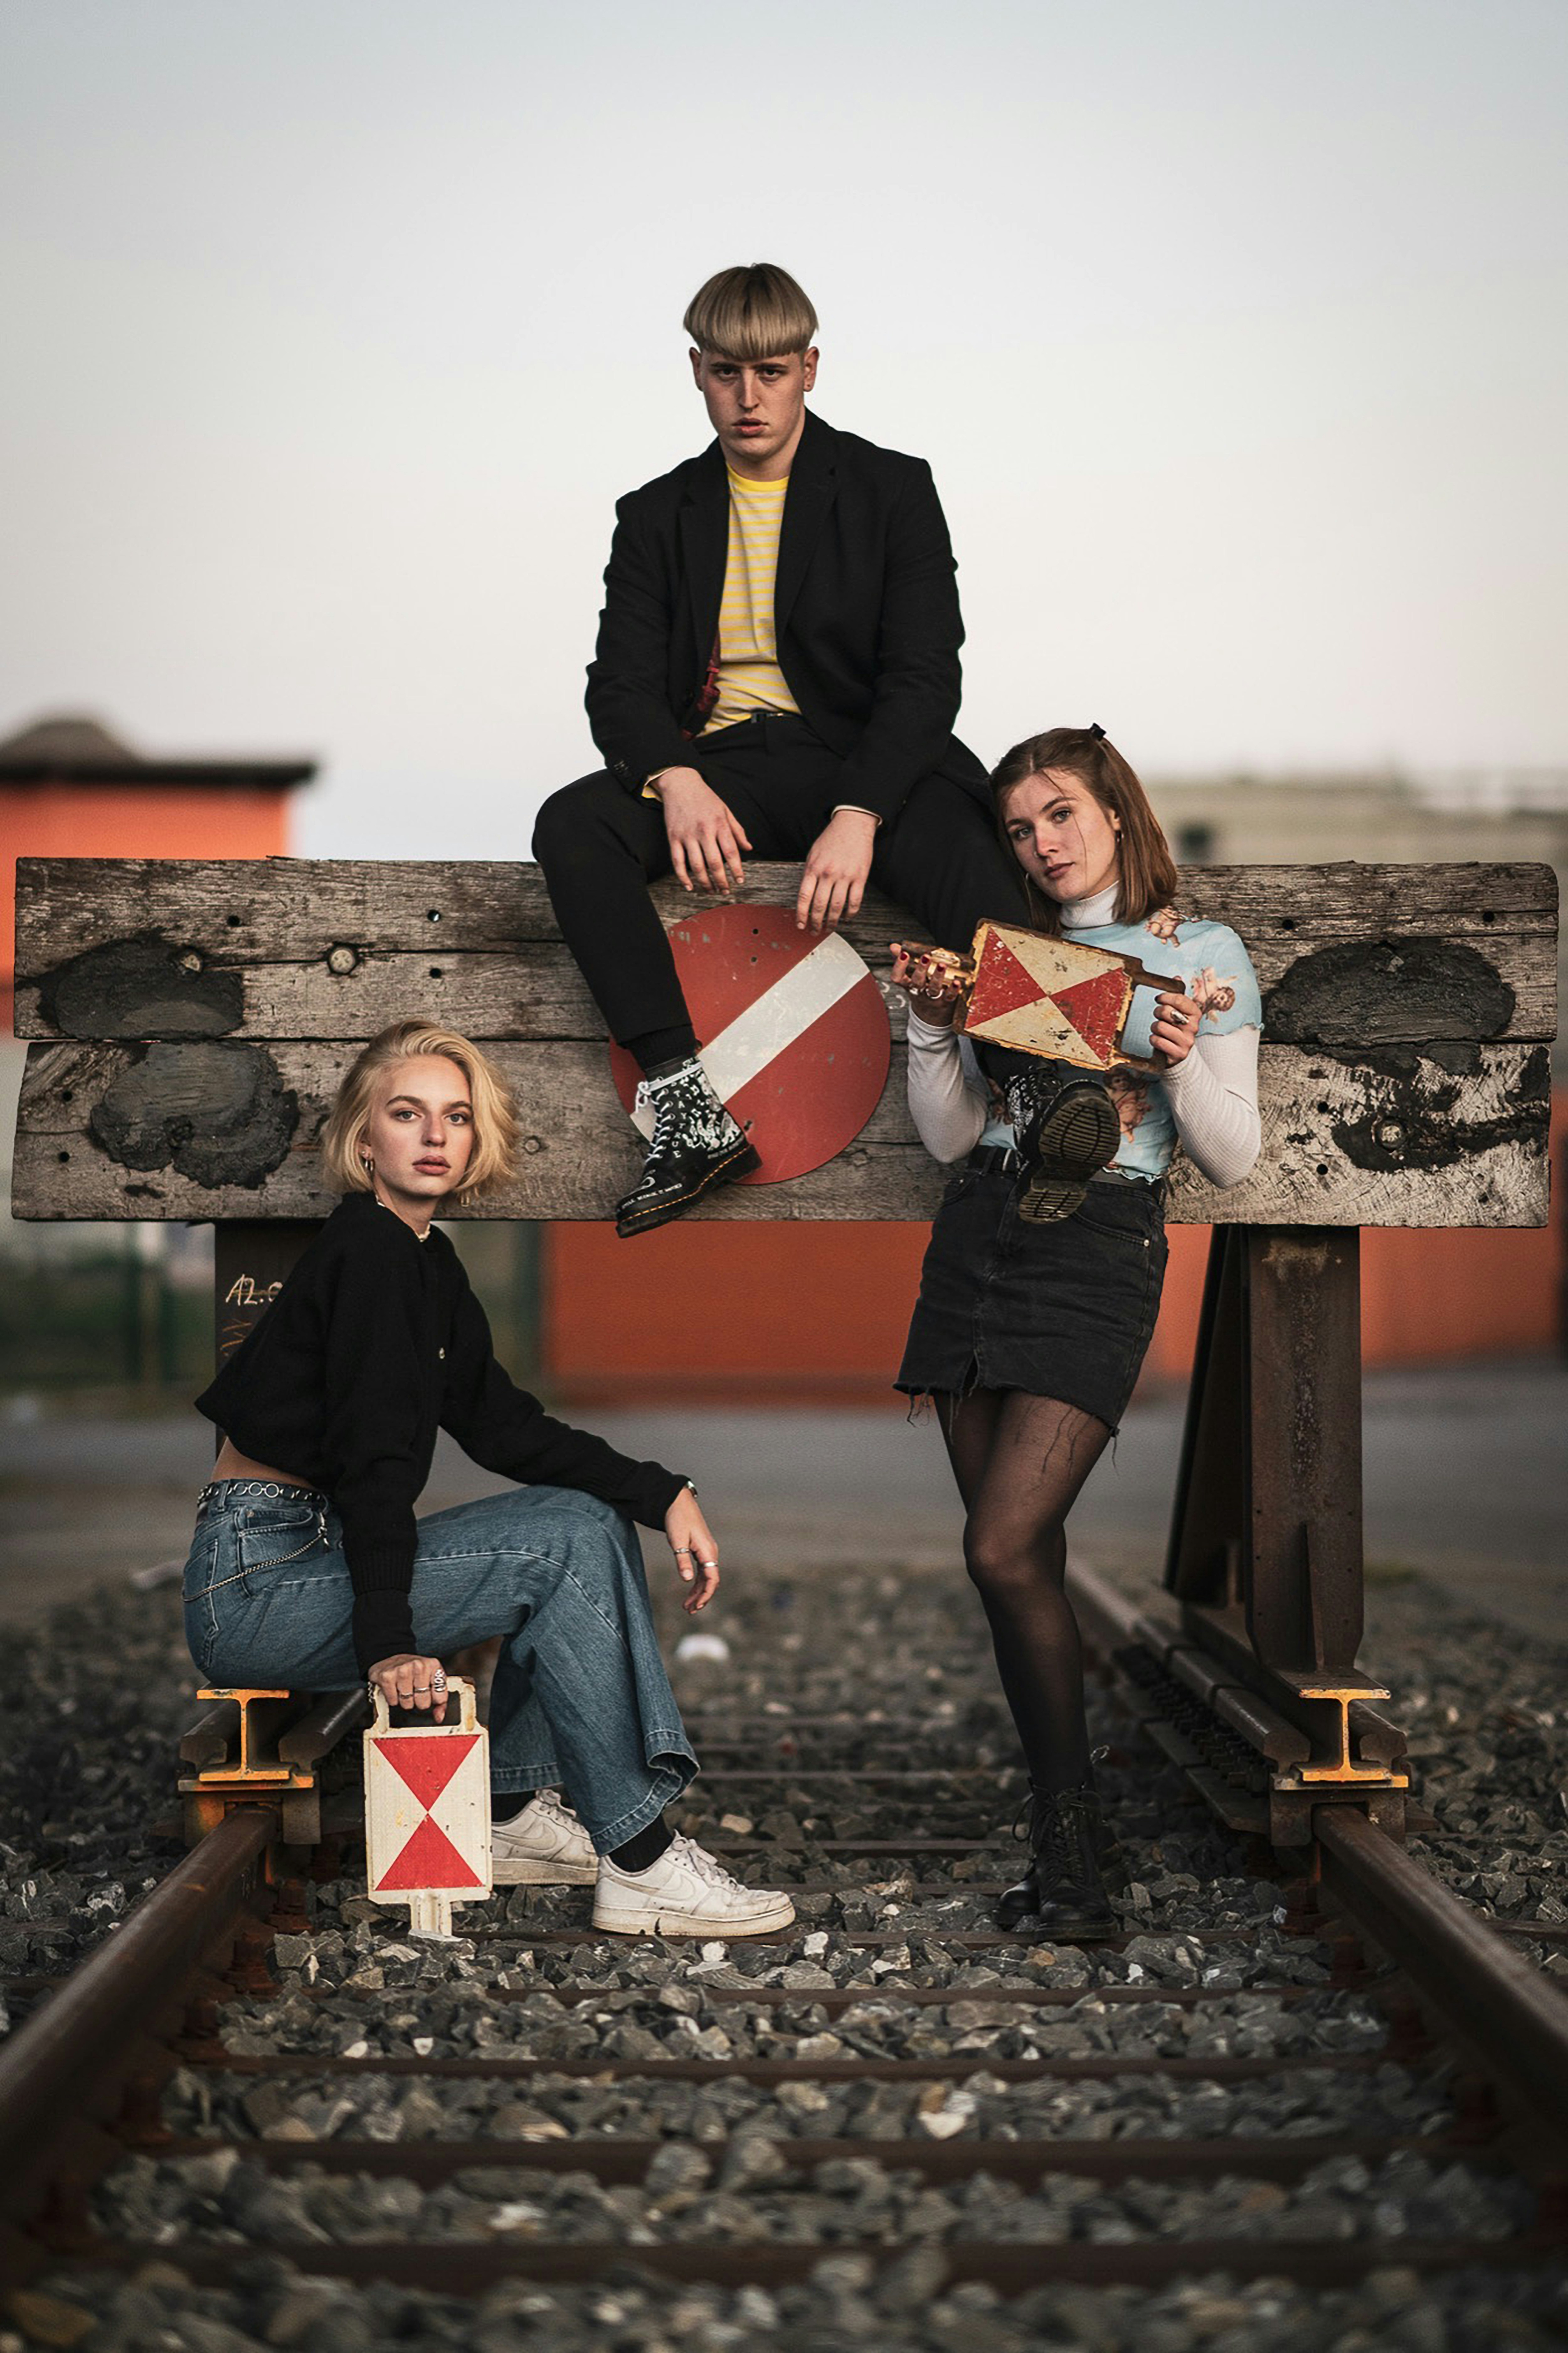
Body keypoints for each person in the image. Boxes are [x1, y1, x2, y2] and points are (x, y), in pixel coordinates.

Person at [183, 1018, 794, 1939]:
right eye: (408, 1114)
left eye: (457, 1118)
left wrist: (662, 1492)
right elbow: (374, 1462)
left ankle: (507, 1811)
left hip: (302, 1559)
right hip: (261, 1580)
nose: (435, 1137)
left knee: (579, 1516)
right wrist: (389, 1641)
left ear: (476, 1141)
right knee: (567, 1541)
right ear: (365, 1141)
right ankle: (641, 1863)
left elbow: (505, 1428)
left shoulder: (424, 1262)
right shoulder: (371, 1256)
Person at [531, 260, 1037, 1239]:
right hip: (722, 771)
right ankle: (685, 1113)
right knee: (572, 824)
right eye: (728, 373)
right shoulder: (655, 514)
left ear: (811, 367)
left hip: (868, 762)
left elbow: (925, 677)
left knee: (963, 849)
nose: (749, 396)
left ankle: (1046, 1088)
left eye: (770, 371)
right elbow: (620, 687)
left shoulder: (893, 489)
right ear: (695, 372)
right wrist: (673, 778)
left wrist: (861, 813)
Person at [892, 727, 1263, 1936]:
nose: (1041, 843)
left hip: (1099, 1244)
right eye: (1018, 829)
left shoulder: (1200, 955)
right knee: (1022, 1569)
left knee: (1002, 1547)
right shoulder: (1011, 952)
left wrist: (1173, 1057)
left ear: (1115, 808)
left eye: (1059, 814)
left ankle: (1077, 1850)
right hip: (980, 1232)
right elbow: (951, 1138)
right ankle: (1070, 1865)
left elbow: (1233, 1154)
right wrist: (934, 1022)